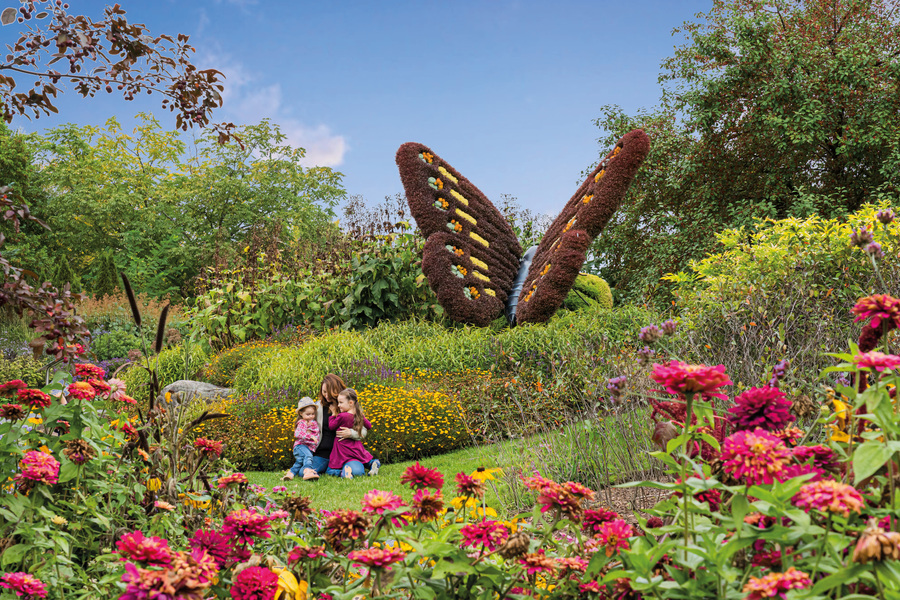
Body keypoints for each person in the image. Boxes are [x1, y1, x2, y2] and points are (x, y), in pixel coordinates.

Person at [306, 374, 368, 478]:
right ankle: (334, 470)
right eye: (324, 392)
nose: (326, 395)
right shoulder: (318, 407)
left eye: (329, 392)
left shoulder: (348, 405)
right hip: (323, 454)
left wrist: (351, 433)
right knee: (304, 472)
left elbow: (364, 430)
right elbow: (305, 420)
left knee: (357, 472)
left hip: (346, 453)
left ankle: (343, 469)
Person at [326, 387, 380, 479]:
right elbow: (369, 426)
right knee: (362, 459)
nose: (338, 405)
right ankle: (373, 463)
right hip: (356, 447)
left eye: (341, 403)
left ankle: (343, 473)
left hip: (342, 448)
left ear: (351, 403)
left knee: (330, 470)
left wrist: (333, 414)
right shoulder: (359, 415)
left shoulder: (342, 416)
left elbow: (331, 426)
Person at [282, 397, 319, 481]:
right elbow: (298, 433)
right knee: (308, 456)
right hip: (300, 446)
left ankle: (290, 474)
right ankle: (307, 471)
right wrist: (310, 436)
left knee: (299, 462)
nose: (311, 416)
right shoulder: (302, 422)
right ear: (301, 413)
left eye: (312, 414)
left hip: (308, 447)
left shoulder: (314, 423)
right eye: (308, 414)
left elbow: (317, 434)